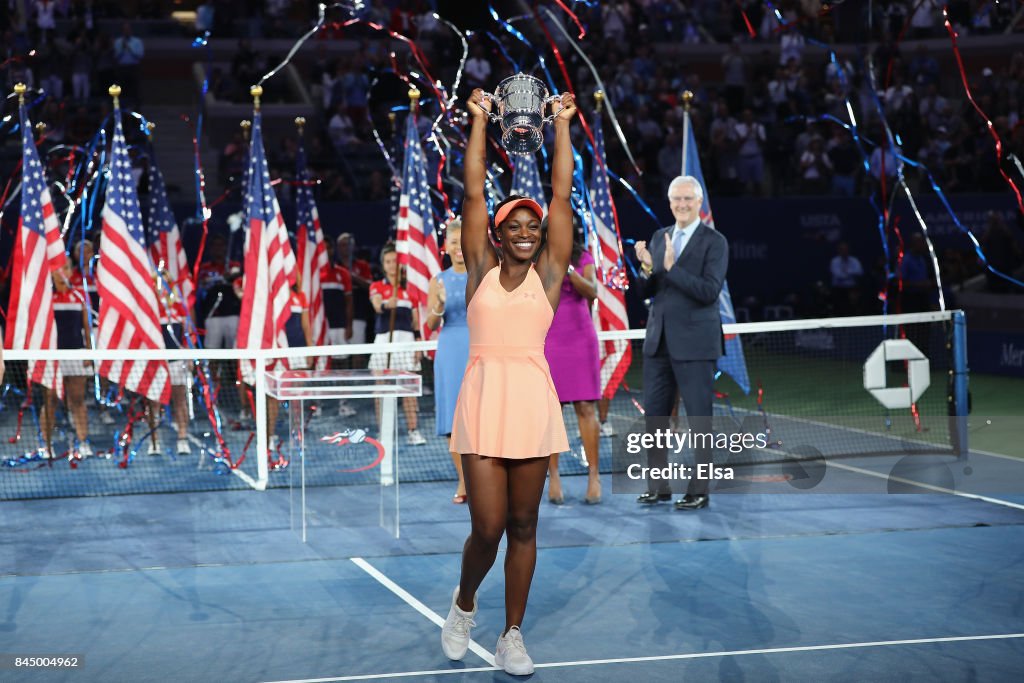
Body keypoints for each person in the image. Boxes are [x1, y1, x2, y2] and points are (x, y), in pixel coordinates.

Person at [441, 88, 576, 677]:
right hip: (483, 402)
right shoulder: (479, 274)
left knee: (525, 525)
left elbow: (562, 195)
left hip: (531, 405)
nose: (524, 228)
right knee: (488, 527)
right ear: (496, 235)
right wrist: (476, 120)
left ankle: (511, 636)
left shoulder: (549, 275)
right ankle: (464, 604)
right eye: (512, 224)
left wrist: (564, 126)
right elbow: (473, 190)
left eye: (532, 224)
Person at [634, 175, 728, 511]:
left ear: (699, 203)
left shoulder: (715, 242)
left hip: (696, 345)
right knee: (655, 419)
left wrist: (671, 269)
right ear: (670, 202)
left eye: (688, 199)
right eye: (677, 199)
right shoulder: (660, 237)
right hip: (658, 343)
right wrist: (646, 268)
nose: (682, 205)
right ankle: (658, 487)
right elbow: (646, 292)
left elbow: (708, 291)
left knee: (699, 418)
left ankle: (699, 490)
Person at [543, 217, 602, 505]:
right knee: (550, 412)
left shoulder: (583, 258)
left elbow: (591, 291)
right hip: (548, 341)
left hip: (580, 339)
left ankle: (594, 476)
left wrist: (568, 269)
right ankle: (553, 477)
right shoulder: (534, 261)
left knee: (586, 407)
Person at [426, 218, 469, 503]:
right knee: (454, 420)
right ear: (446, 246)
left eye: (463, 242)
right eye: (453, 242)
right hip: (450, 349)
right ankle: (465, 482)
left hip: (482, 348)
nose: (458, 248)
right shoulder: (438, 280)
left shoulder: (487, 274)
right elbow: (430, 324)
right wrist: (439, 304)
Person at [368, 242, 426, 446]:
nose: (392, 265)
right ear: (383, 265)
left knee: (408, 391)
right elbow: (377, 306)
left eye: (395, 261)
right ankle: (383, 431)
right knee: (380, 390)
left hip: (407, 342)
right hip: (384, 342)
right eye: (388, 262)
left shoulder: (410, 289)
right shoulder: (377, 286)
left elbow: (416, 319)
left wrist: (418, 342)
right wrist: (386, 304)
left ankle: (413, 431)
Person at [46, 261, 93, 458]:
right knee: (51, 401)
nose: (62, 272)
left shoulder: (79, 296)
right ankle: (46, 445)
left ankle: (83, 442)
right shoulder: (47, 298)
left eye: (66, 268)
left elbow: (86, 327)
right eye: (58, 269)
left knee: (78, 400)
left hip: (76, 354)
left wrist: (89, 352)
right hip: (52, 356)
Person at [829, 241, 864, 316]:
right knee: (840, 309)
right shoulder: (834, 261)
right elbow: (838, 275)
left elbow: (860, 272)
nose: (844, 251)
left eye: (845, 249)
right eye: (842, 249)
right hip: (838, 289)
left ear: (848, 250)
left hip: (852, 289)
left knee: (853, 307)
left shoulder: (854, 260)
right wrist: (851, 273)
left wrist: (846, 272)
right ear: (839, 250)